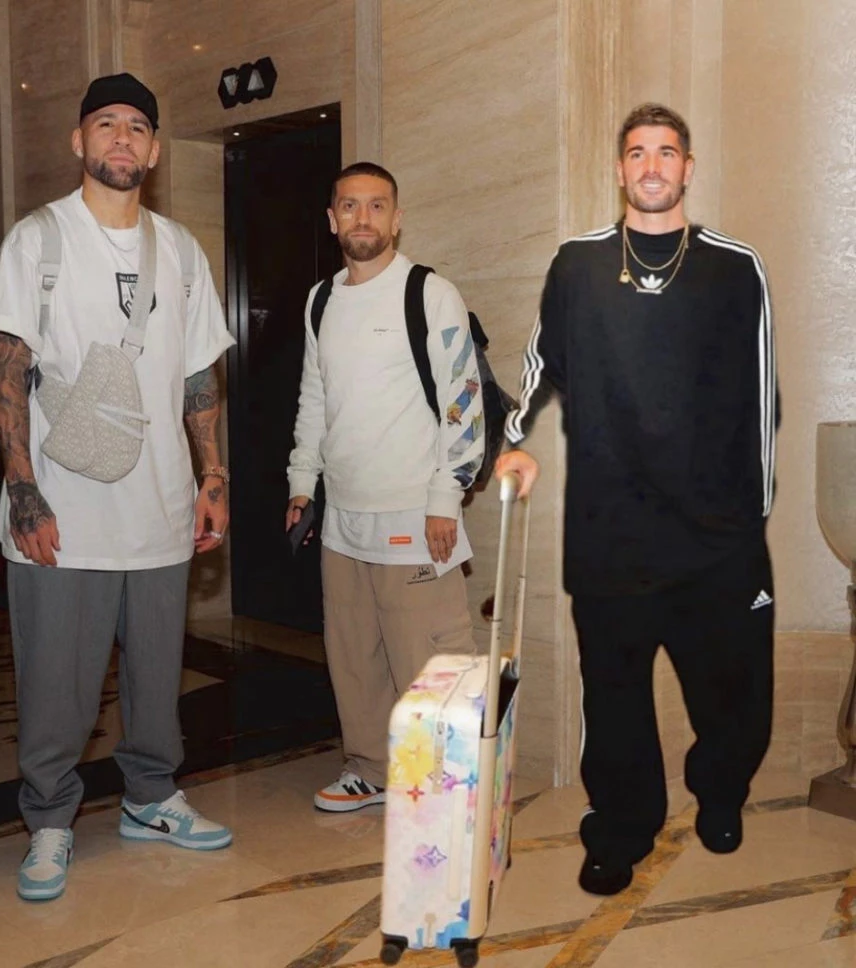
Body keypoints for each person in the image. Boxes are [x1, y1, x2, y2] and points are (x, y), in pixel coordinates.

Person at [496, 103, 779, 896]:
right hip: (609, 532)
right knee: (614, 701)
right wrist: (513, 439)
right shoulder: (577, 266)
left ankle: (721, 793)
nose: (651, 165)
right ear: (619, 169)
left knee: (735, 692)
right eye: (636, 152)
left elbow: (762, 394)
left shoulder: (733, 266)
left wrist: (751, 517)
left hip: (715, 537)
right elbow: (540, 361)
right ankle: (620, 829)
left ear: (688, 167)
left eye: (666, 151)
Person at [0, 72, 235, 902]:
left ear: (156, 150)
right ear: (78, 141)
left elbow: (199, 374)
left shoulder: (181, 248)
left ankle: (152, 799)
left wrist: (212, 476)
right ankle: (50, 821)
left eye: (136, 127)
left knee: (157, 679)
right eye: (105, 124)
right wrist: (23, 488)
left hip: (161, 510)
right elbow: (9, 369)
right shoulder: (40, 240)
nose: (121, 138)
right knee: (57, 681)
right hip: (64, 510)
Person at [286, 162, 485, 812]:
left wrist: (444, 498)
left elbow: (462, 402)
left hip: (416, 516)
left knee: (430, 664)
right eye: (350, 206)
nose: (363, 218)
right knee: (355, 658)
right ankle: (370, 769)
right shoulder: (321, 301)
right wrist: (301, 481)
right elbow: (315, 399)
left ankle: (445, 787)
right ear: (332, 219)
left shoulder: (428, 293)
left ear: (397, 219)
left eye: (376, 206)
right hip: (344, 522)